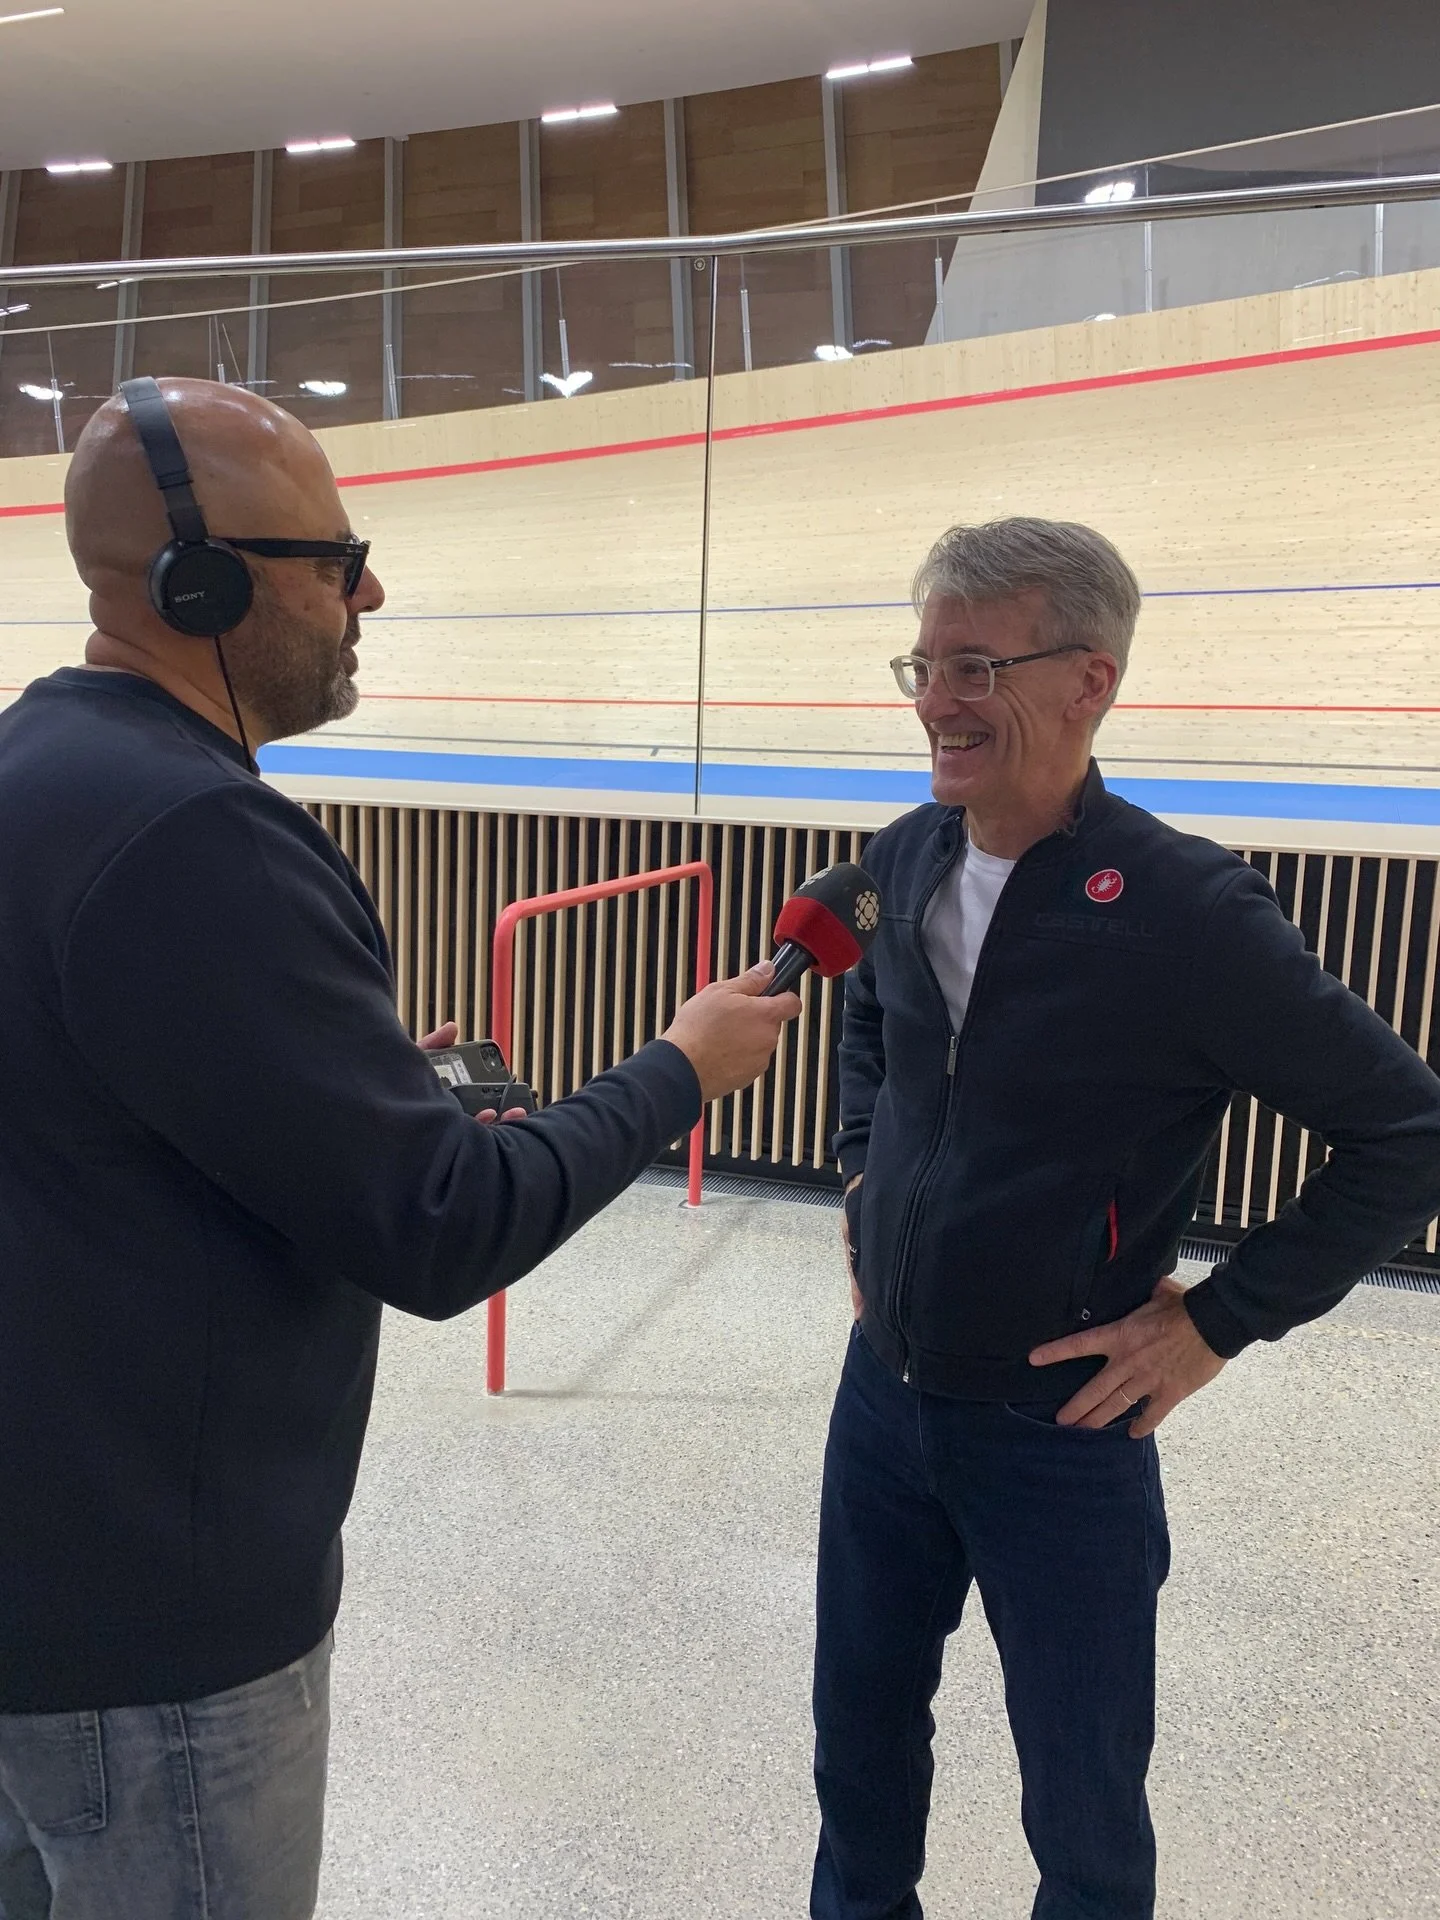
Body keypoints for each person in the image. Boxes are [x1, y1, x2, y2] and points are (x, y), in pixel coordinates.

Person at [0, 377, 800, 1920]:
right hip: (156, 1660)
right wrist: (679, 1069)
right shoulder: (196, 837)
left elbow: (108, 1125)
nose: (369, 592)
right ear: (203, 584)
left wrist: (359, 1084)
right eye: (334, 558)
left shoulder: (37, 773)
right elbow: (445, 1230)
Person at [814, 516, 1440, 1920]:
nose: (933, 700)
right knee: (858, 1766)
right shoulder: (905, 857)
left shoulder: (1187, 909)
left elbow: (1408, 1132)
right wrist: (862, 1175)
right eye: (921, 662)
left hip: (1063, 1434)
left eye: (974, 665)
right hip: (882, 1408)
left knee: (1084, 1812)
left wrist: (1218, 1321)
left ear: (1089, 680)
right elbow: (875, 1019)